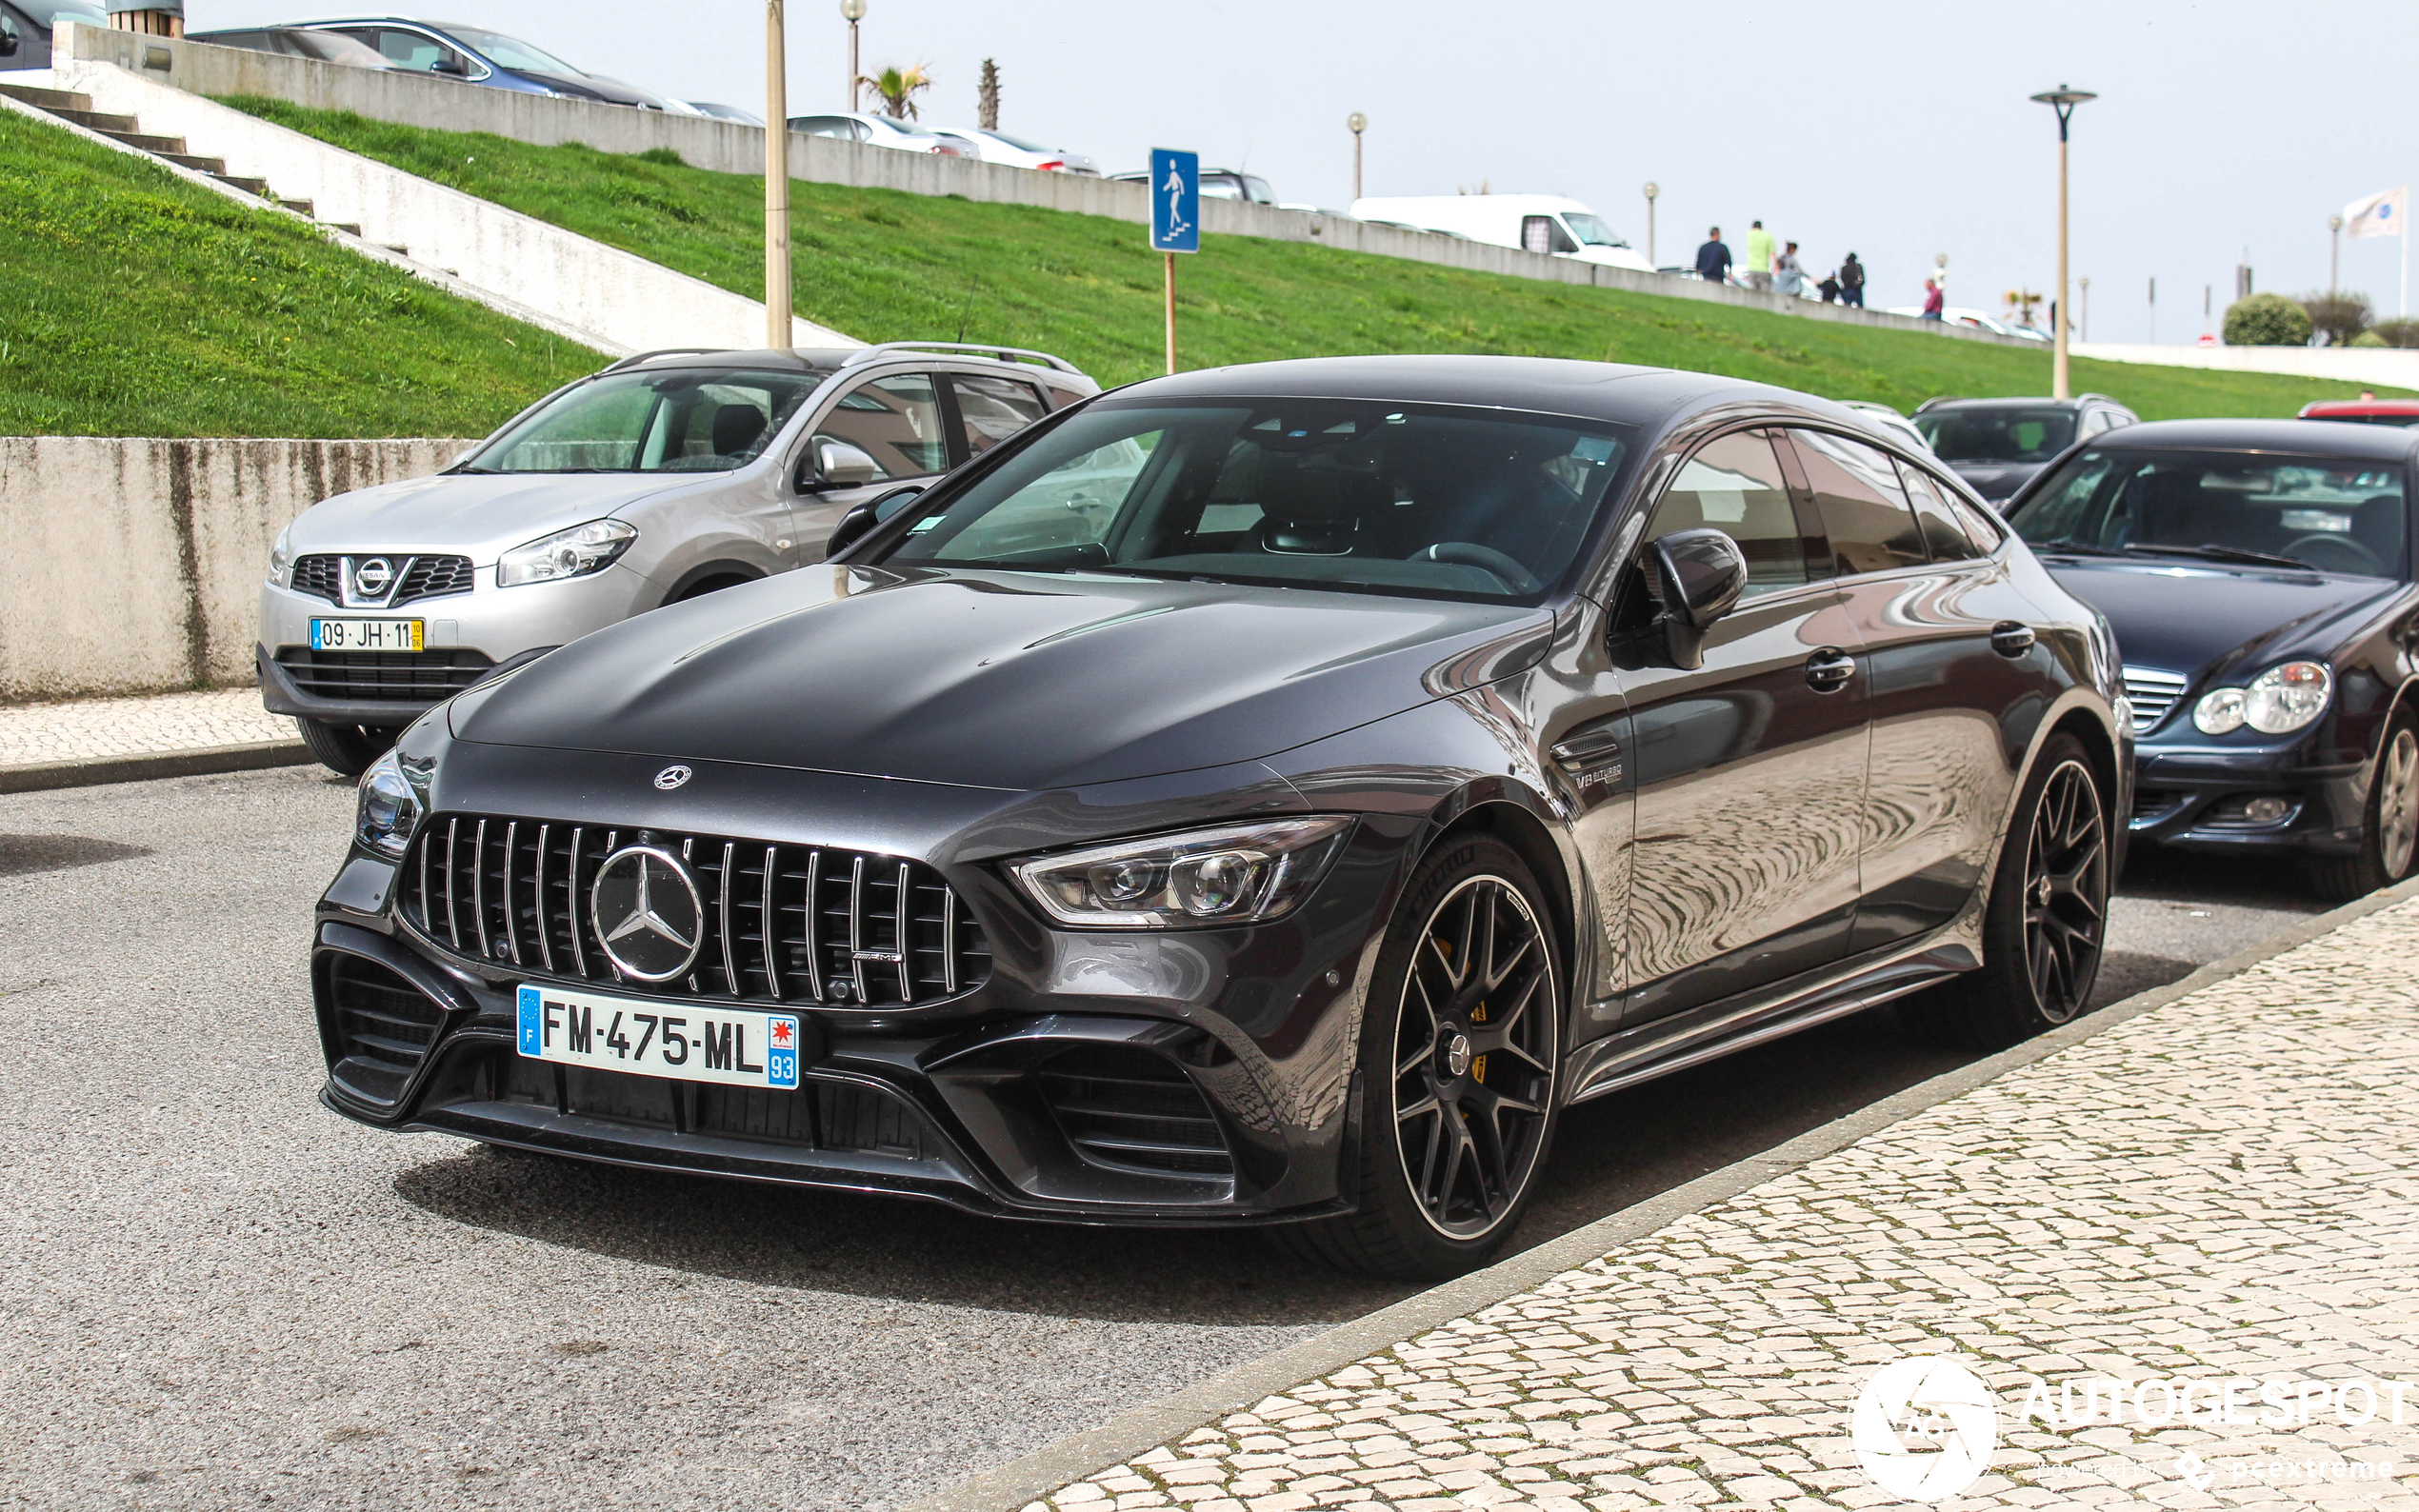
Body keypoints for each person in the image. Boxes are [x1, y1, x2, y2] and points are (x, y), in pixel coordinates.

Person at [1743, 220, 1775, 292]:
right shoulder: (1768, 236)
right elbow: (1772, 253)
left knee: (1753, 295)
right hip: (1764, 270)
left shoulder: (1750, 234)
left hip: (1752, 269)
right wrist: (1776, 267)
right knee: (1764, 296)